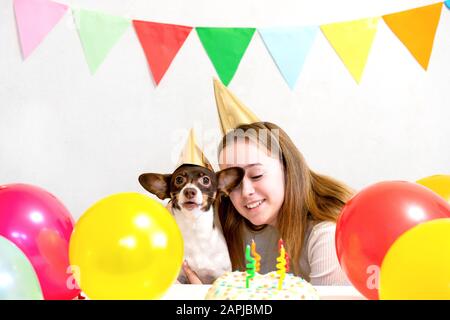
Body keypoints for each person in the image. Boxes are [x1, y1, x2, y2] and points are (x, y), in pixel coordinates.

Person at [182, 121, 354, 285]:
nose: (245, 191)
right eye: (234, 182)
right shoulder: (230, 219)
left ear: (288, 169)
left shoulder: (327, 235)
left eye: (256, 175)